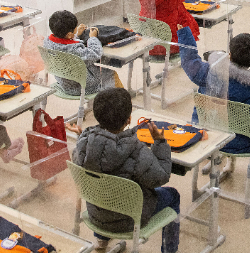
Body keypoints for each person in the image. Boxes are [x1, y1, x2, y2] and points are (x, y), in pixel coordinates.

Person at [68, 88, 180, 253]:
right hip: (129, 219)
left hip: (96, 215)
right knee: (173, 195)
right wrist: (160, 142)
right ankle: (169, 250)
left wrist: (82, 135)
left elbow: (85, 162)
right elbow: (161, 177)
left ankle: (101, 241)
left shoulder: (84, 144)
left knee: (102, 186)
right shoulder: (135, 151)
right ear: (129, 119)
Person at [178, 25, 250, 187]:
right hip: (242, 142)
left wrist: (184, 34)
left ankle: (224, 160)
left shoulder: (208, 72)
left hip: (211, 132)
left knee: (229, 117)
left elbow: (189, 61)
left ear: (229, 55)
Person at [43, 10, 121, 95]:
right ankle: (118, 101)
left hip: (64, 81)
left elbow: (63, 42)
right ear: (69, 34)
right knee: (111, 74)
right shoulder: (74, 50)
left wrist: (75, 35)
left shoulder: (47, 42)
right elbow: (95, 54)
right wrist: (92, 38)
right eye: (75, 28)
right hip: (80, 85)